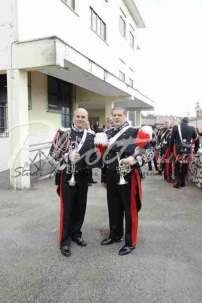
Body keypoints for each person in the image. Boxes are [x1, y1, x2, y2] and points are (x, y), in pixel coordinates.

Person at [98, 107, 150, 256]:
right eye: (114, 115)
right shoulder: (107, 133)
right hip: (111, 175)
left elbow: (150, 151)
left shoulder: (136, 132)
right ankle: (115, 235)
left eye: (119, 115)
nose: (116, 117)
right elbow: (101, 156)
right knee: (113, 207)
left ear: (125, 116)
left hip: (128, 175)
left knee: (129, 209)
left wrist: (134, 159)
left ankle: (130, 242)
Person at [49, 108, 96, 257]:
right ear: (73, 117)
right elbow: (52, 156)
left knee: (81, 207)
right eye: (78, 116)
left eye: (83, 117)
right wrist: (66, 156)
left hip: (83, 176)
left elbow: (95, 157)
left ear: (87, 119)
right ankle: (65, 241)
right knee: (67, 208)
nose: (80, 119)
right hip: (68, 175)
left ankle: (76, 234)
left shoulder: (91, 136)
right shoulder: (64, 132)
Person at [170, 117, 199, 188]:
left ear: (182, 121)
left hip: (177, 150)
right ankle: (183, 182)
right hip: (188, 150)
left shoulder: (175, 128)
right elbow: (197, 140)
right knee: (185, 166)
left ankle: (177, 183)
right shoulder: (192, 129)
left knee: (177, 166)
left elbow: (171, 140)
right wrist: (195, 149)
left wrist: (171, 150)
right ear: (188, 122)